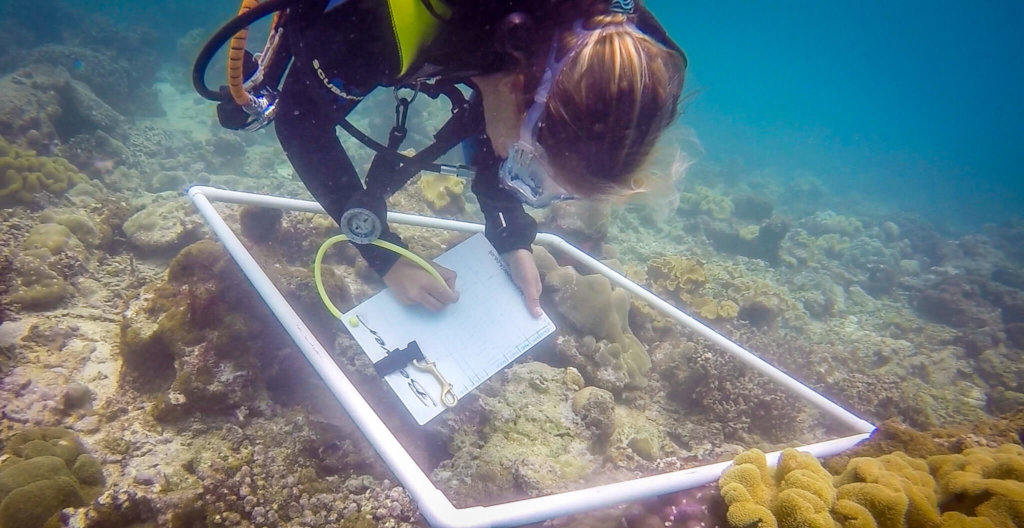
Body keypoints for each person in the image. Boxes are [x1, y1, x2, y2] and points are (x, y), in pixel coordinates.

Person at [227, 0, 686, 316]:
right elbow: (300, 121)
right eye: (528, 170)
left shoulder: (611, 45)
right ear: (515, 88)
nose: (517, 178)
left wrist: (511, 233)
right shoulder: (383, 31)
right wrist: (385, 254)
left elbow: (497, 115)